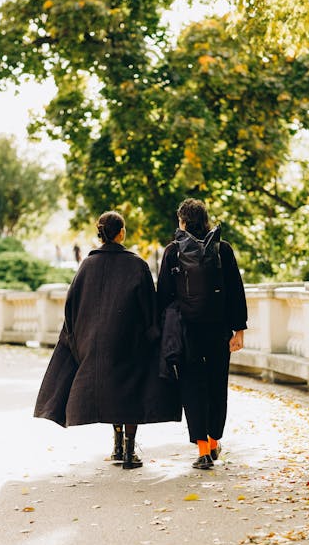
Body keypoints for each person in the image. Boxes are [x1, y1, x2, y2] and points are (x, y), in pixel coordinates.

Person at [35, 211, 181, 469]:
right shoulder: (137, 265)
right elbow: (150, 309)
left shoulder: (86, 267)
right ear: (121, 233)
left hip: (94, 343)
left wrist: (79, 342)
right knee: (132, 393)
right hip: (130, 341)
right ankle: (128, 451)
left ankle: (116, 445)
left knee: (110, 388)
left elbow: (71, 309)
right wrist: (152, 338)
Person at [157, 198, 247, 470]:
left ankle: (203, 451)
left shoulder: (173, 251)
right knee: (217, 385)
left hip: (187, 332)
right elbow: (235, 291)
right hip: (219, 330)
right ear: (206, 220)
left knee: (192, 386)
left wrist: (163, 331)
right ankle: (214, 439)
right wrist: (239, 329)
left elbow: (163, 296)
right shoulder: (223, 250)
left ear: (182, 222)